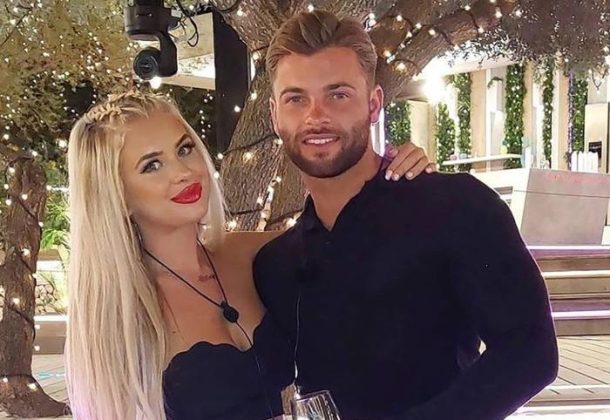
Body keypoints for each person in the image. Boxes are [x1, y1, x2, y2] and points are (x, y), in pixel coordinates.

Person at [254, 10, 559, 420]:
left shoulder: (456, 207)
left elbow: (530, 350)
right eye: (296, 99)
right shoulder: (276, 264)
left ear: (374, 104)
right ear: (275, 115)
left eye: (337, 95)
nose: (316, 116)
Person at [64, 90, 431, 420]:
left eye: (184, 149)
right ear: (119, 197)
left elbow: (355, 238)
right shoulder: (122, 312)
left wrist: (398, 175)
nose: (184, 172)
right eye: (152, 165)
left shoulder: (250, 254)